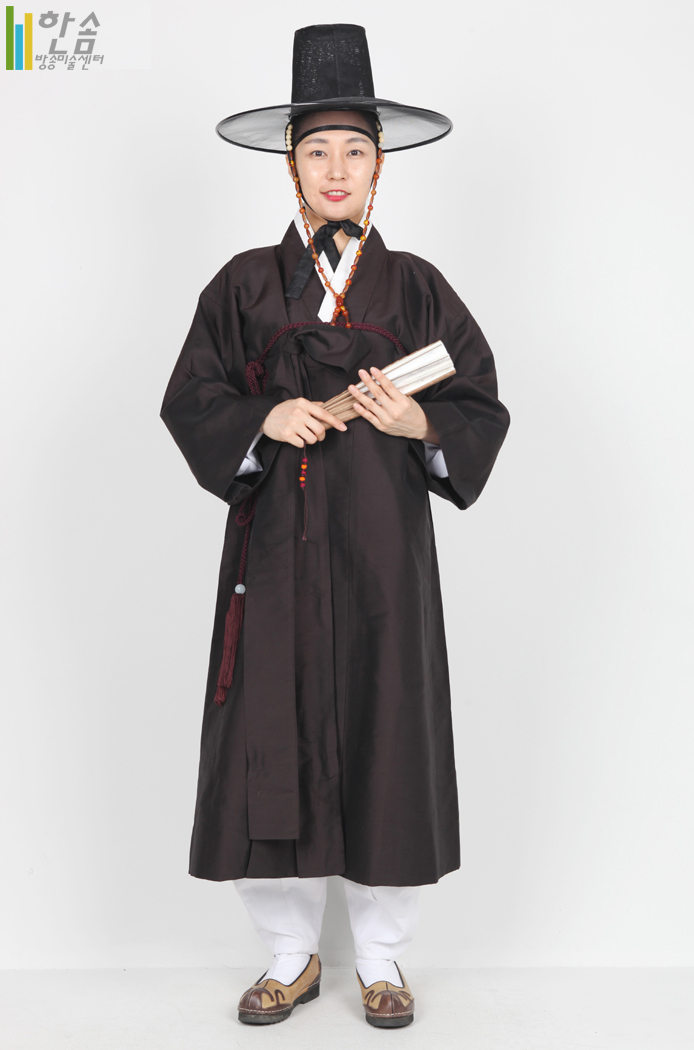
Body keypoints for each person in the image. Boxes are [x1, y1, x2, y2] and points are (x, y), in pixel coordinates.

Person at [161, 23, 510, 1028]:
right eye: (317, 149)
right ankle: (290, 954)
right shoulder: (242, 283)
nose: (336, 168)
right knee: (268, 734)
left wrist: (419, 425)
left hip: (383, 558)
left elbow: (479, 406)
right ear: (291, 162)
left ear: (379, 163)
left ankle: (384, 960)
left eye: (355, 149)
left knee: (387, 728)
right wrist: (263, 417)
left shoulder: (418, 288)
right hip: (273, 556)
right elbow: (191, 398)